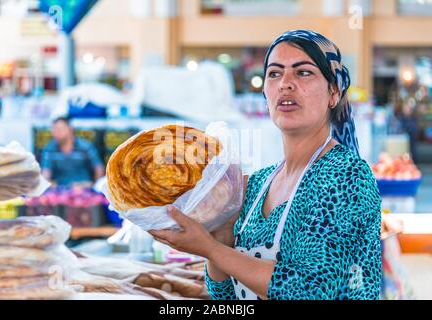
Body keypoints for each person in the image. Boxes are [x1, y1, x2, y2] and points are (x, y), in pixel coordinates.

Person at [150, 30, 382, 300]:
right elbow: (227, 297)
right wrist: (221, 237)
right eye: (274, 73)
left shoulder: (346, 176)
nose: (285, 83)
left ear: (333, 92)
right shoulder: (257, 183)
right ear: (265, 92)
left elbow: (311, 292)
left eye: (303, 72)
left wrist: (210, 249)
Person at [41, 117, 105, 188]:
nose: (56, 133)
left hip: (84, 190)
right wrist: (48, 184)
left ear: (70, 129)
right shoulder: (49, 148)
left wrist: (94, 185)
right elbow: (45, 173)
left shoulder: (86, 147)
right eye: (54, 130)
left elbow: (99, 168)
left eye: (59, 129)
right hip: (59, 191)